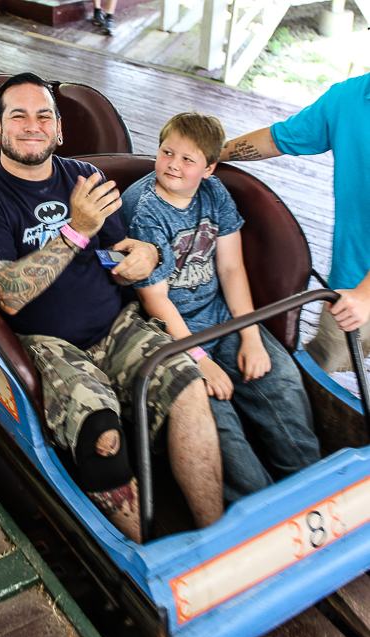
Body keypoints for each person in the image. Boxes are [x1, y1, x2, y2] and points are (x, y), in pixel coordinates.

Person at [0, 73, 224, 542]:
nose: (32, 125)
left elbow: (119, 247)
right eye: (18, 116)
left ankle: (218, 543)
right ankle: (147, 569)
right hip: (48, 346)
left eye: (44, 116)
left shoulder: (85, 178)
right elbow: (8, 293)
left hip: (118, 326)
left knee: (188, 385)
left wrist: (146, 257)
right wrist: (75, 229)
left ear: (59, 129)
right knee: (101, 433)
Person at [120, 111, 320, 505]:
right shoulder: (144, 209)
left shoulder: (215, 194)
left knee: (281, 382)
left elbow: (230, 268)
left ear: (209, 169)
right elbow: (155, 298)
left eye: (188, 159)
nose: (173, 164)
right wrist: (198, 357)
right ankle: (261, 514)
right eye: (166, 153)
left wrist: (250, 336)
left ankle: (315, 490)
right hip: (170, 335)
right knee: (221, 429)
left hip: (219, 319)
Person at [219, 73, 370, 374]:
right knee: (322, 367)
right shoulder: (347, 98)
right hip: (353, 278)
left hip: (362, 292)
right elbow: (279, 138)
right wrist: (210, 154)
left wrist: (367, 294)